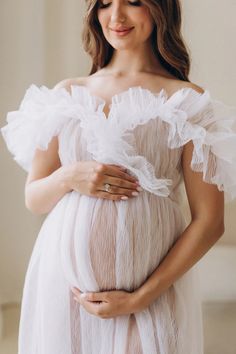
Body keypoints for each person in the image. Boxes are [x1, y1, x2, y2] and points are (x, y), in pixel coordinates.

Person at [1, 0, 236, 353]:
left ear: (161, 10)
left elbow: (210, 221)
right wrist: (70, 176)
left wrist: (140, 297)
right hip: (62, 290)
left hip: (149, 298)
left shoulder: (186, 102)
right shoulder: (67, 95)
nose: (116, 17)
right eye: (105, 4)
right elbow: (34, 197)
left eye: (134, 3)